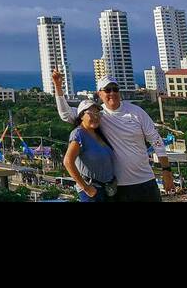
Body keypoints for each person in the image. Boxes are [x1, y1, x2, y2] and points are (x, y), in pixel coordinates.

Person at [51, 69, 175, 201]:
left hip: (145, 180)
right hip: (118, 187)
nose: (112, 93)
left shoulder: (136, 112)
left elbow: (156, 141)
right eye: (107, 90)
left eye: (115, 89)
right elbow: (66, 114)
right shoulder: (97, 114)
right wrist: (58, 87)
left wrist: (166, 171)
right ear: (99, 93)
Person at [63, 98, 115, 202]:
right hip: (93, 192)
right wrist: (87, 188)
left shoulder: (98, 134)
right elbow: (68, 162)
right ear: (82, 116)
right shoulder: (79, 134)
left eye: (98, 113)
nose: (95, 117)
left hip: (108, 189)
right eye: (91, 113)